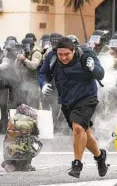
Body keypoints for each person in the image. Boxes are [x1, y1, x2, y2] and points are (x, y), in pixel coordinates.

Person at [39, 37, 108, 178]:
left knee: (77, 128)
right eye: (61, 55)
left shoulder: (86, 54)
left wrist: (93, 67)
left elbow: (100, 74)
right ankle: (100, 156)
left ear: (73, 50)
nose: (63, 58)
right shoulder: (52, 57)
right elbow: (43, 73)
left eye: (67, 54)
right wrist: (44, 84)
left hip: (87, 98)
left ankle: (77, 164)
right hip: (67, 100)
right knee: (84, 132)